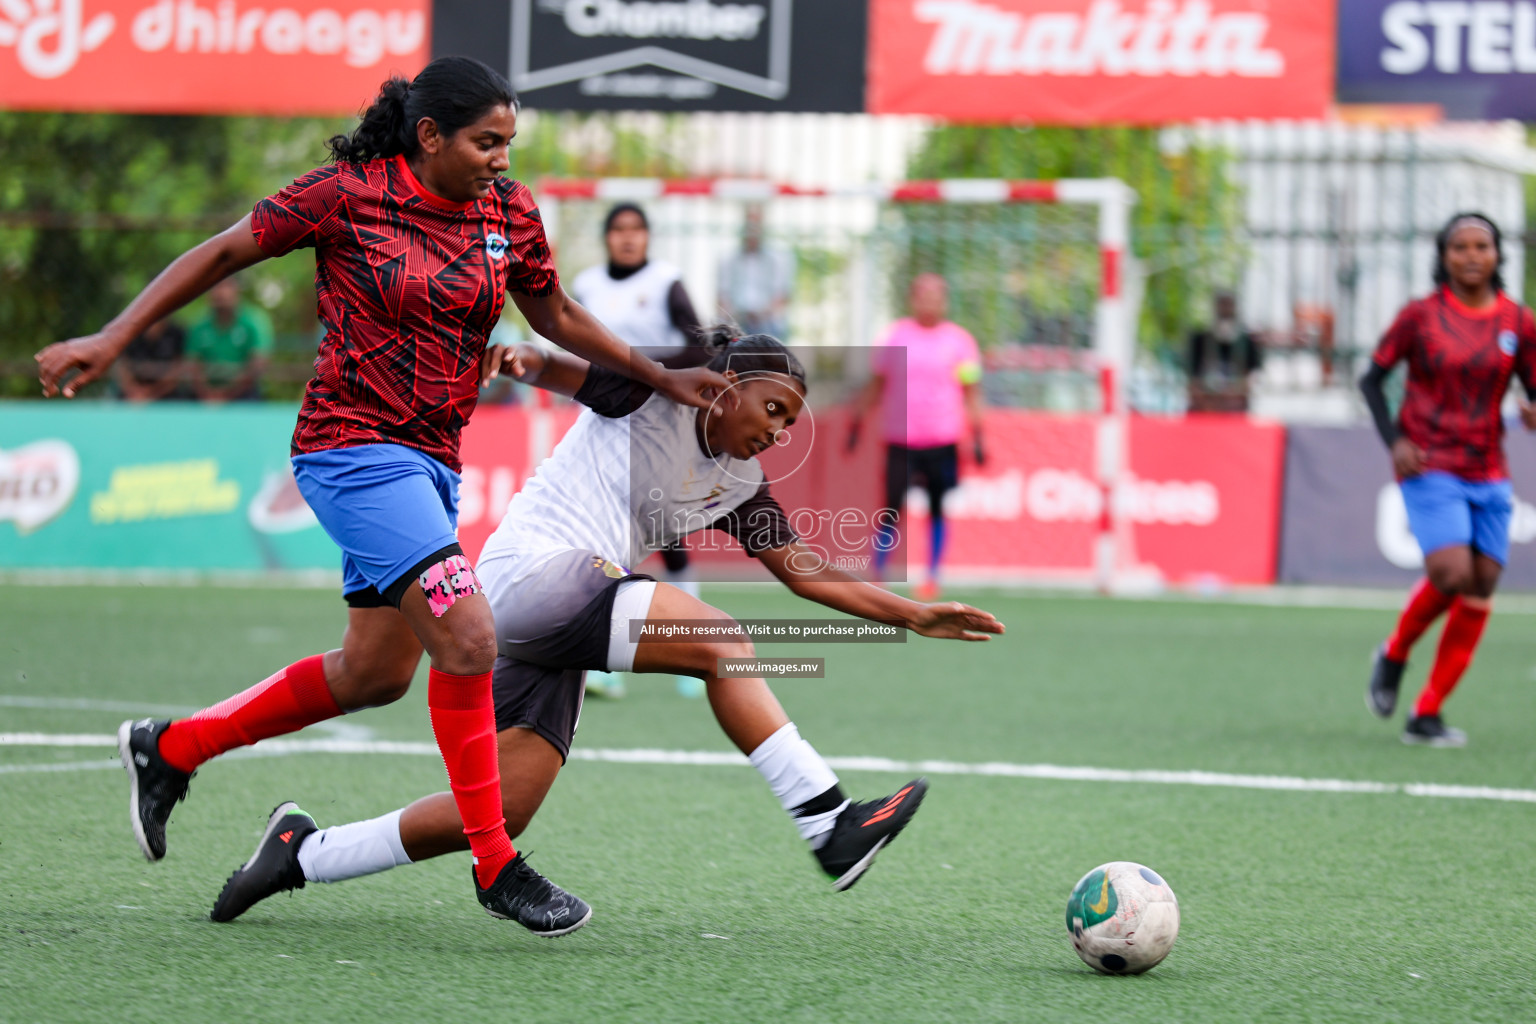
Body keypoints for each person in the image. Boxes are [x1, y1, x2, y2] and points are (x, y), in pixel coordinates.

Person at [33, 56, 728, 934]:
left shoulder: (507, 211)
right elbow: (220, 253)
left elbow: (554, 317)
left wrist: (665, 378)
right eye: (486, 141)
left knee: (373, 673)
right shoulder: (346, 192)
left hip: (432, 462)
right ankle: (494, 863)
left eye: (510, 142)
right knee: (469, 634)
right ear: (429, 135)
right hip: (349, 451)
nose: (502, 159)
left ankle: (170, 748)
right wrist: (113, 334)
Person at [207, 330, 1004, 930]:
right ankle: (827, 820)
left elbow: (804, 570)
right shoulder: (657, 389)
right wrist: (522, 360)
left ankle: (300, 854)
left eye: (791, 422)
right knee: (724, 644)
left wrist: (912, 613)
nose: (779, 431)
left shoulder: (743, 482)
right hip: (533, 574)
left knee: (502, 810)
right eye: (772, 407)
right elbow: (569, 369)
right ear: (725, 386)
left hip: (564, 612)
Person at [1361, 212, 1536, 747]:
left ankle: (1427, 712)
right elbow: (1372, 381)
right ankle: (1394, 653)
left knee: (1482, 587)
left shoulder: (1518, 323)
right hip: (1430, 463)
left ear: (1498, 255)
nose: (1470, 256)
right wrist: (1395, 440)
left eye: (1481, 246)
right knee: (1452, 571)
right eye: (1459, 247)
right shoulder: (1420, 316)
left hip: (1489, 470)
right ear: (1443, 256)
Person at [571, 202, 708, 698]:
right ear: (607, 237)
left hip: (658, 421)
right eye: (619, 230)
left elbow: (702, 348)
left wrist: (643, 365)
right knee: (601, 536)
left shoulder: (667, 282)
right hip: (600, 422)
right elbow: (574, 345)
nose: (628, 238)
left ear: (648, 237)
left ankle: (694, 641)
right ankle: (603, 664)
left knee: (667, 533)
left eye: (636, 230)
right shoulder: (587, 286)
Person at [846, 274, 985, 600]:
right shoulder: (895, 337)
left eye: (937, 297)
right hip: (901, 436)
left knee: (938, 505)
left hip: (943, 436)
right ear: (913, 299)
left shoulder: (959, 342)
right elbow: (877, 384)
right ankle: (878, 571)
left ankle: (933, 574)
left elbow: (972, 391)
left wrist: (979, 434)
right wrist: (857, 421)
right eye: (924, 296)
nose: (930, 303)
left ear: (945, 302)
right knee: (892, 506)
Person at [185, 276, 274, 402]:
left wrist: (227, 395)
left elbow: (258, 363)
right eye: (214, 287)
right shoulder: (199, 325)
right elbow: (192, 364)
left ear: (237, 289)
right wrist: (207, 394)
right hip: (203, 395)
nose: (219, 292)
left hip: (243, 393)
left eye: (225, 286)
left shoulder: (254, 321)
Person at [717, 204, 793, 339]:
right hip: (737, 319)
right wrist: (736, 315)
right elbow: (722, 297)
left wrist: (762, 315)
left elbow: (782, 297)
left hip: (767, 322)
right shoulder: (729, 259)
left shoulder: (777, 259)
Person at [113, 317, 185, 402]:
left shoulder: (176, 334)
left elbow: (177, 371)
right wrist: (134, 391)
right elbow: (122, 367)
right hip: (133, 393)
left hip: (166, 393)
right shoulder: (130, 332)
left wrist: (151, 394)